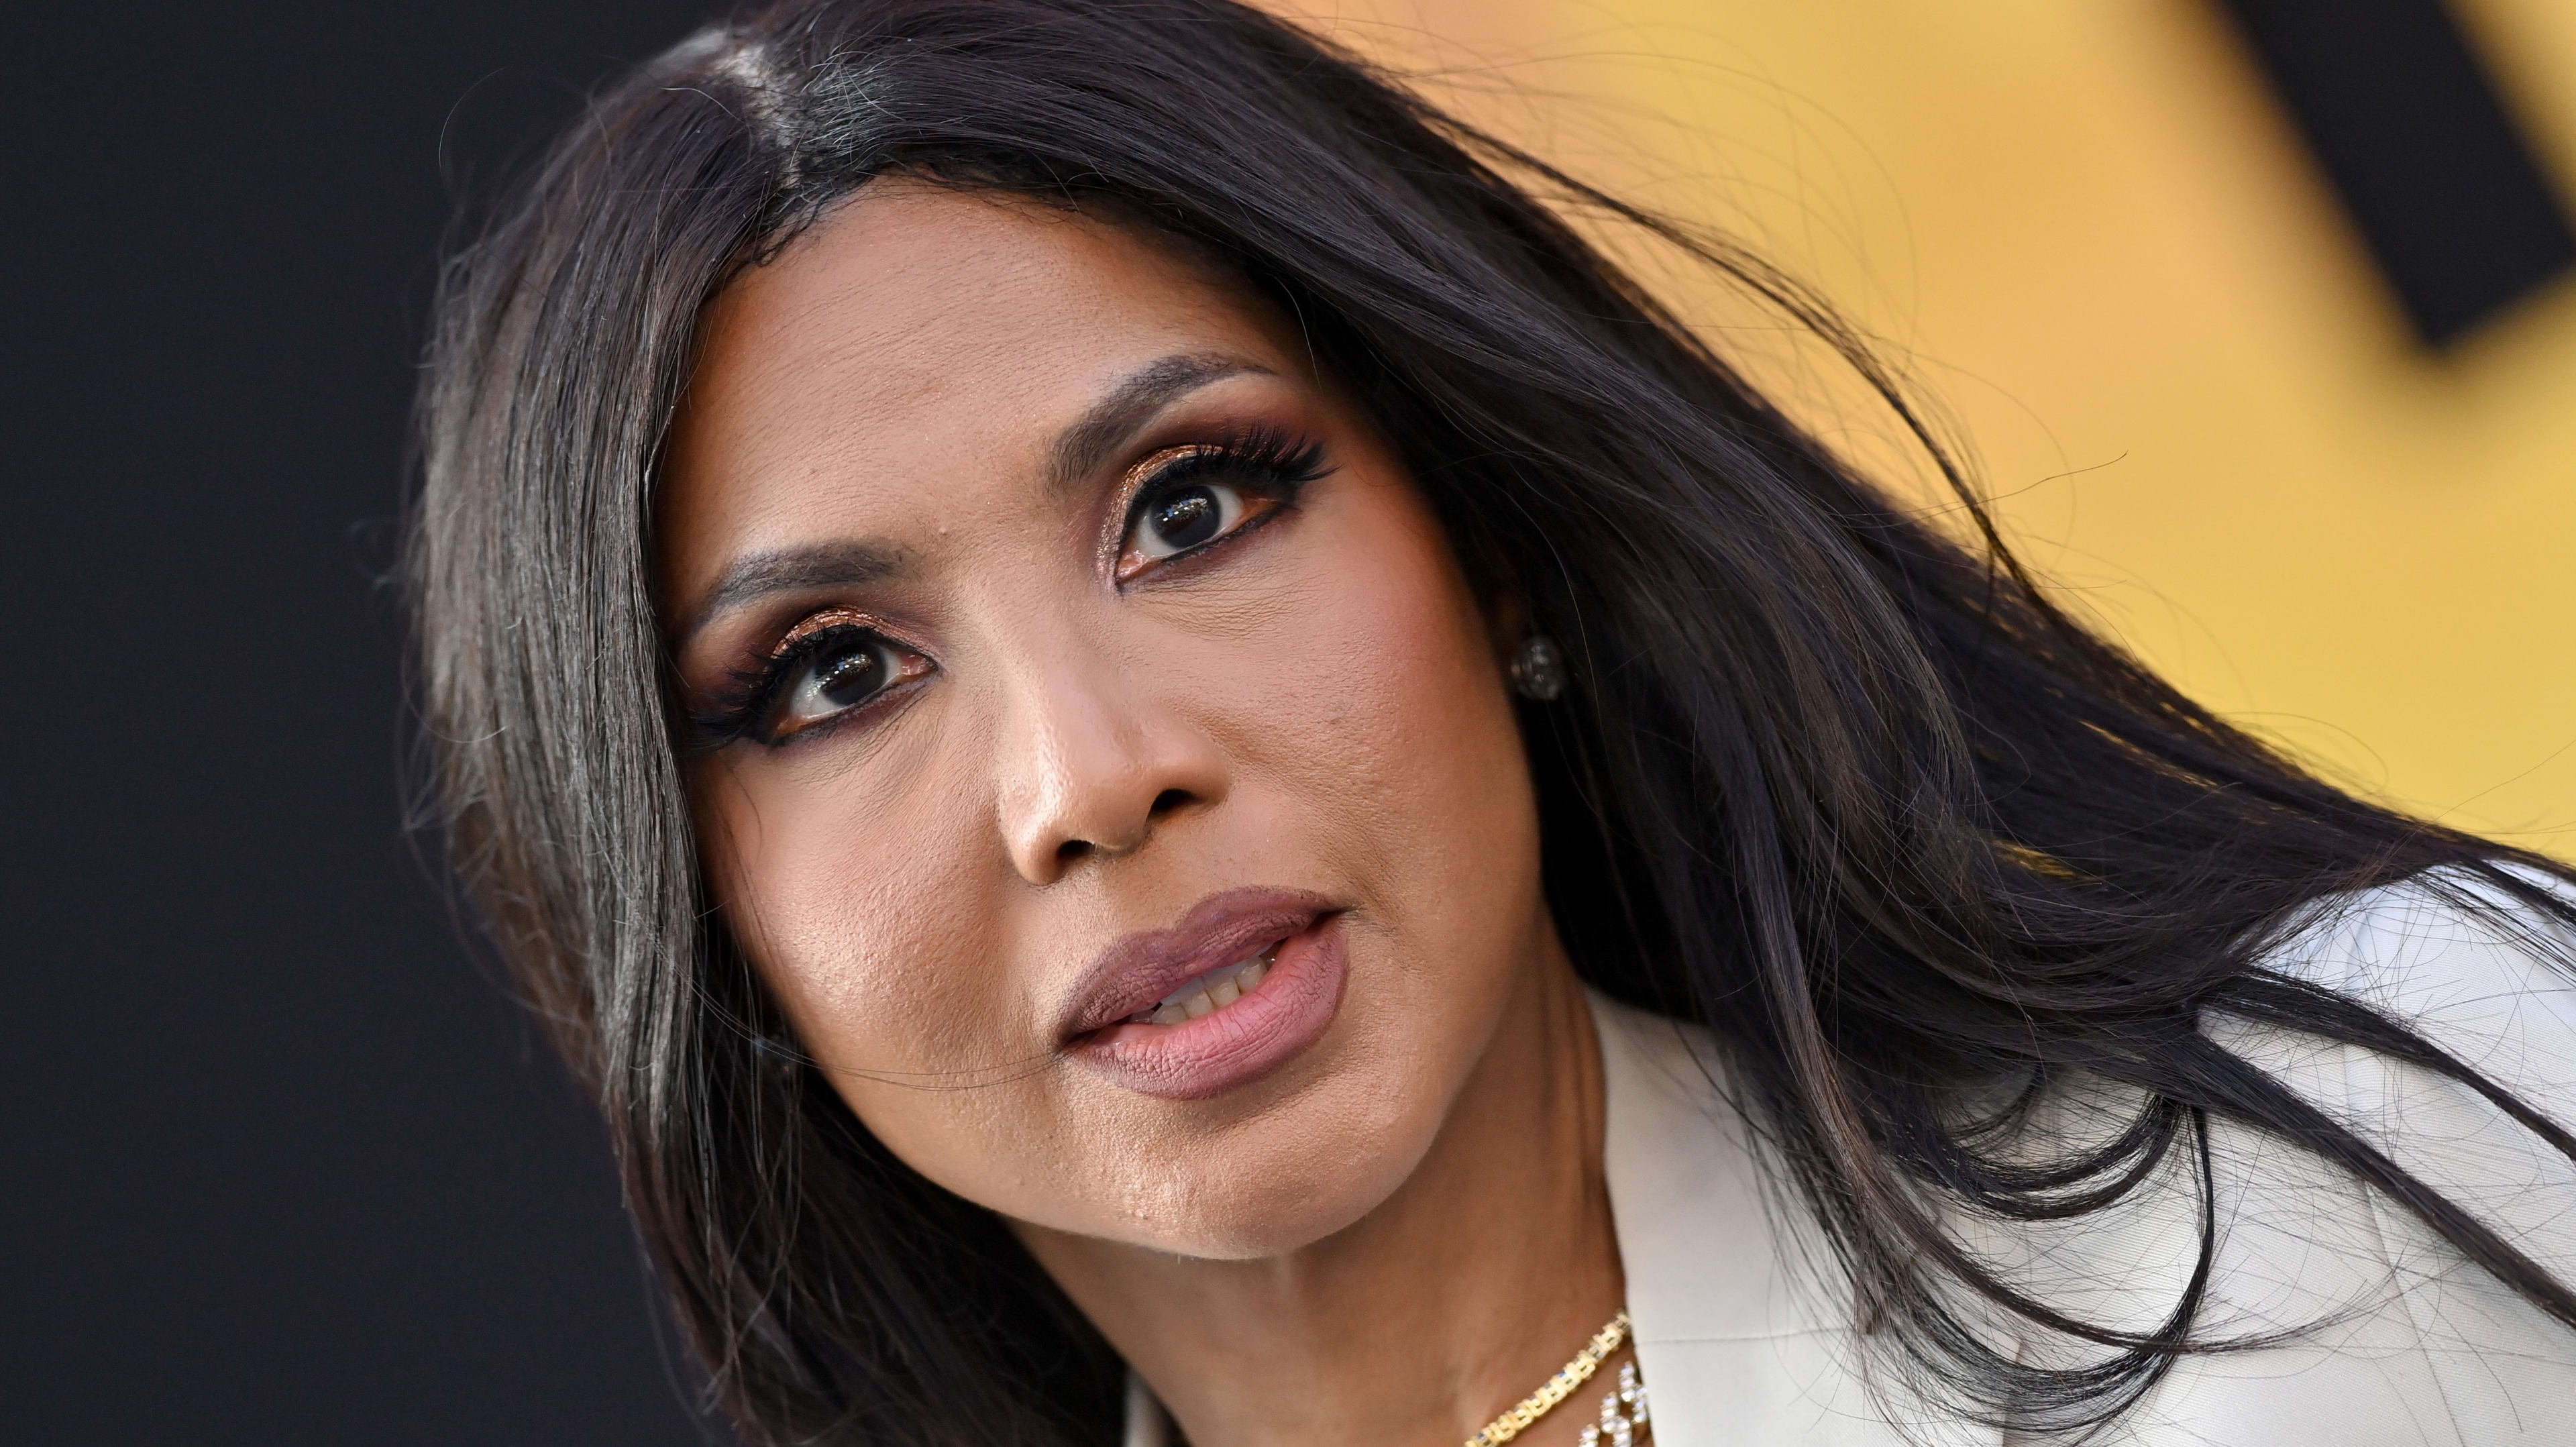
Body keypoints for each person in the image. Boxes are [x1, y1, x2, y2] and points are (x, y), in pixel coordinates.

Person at [405, 2, 2576, 1442]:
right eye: (835, 676)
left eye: (1192, 508)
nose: (1091, 774)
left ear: (1497, 543)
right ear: (698, 917)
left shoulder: (2368, 1167)